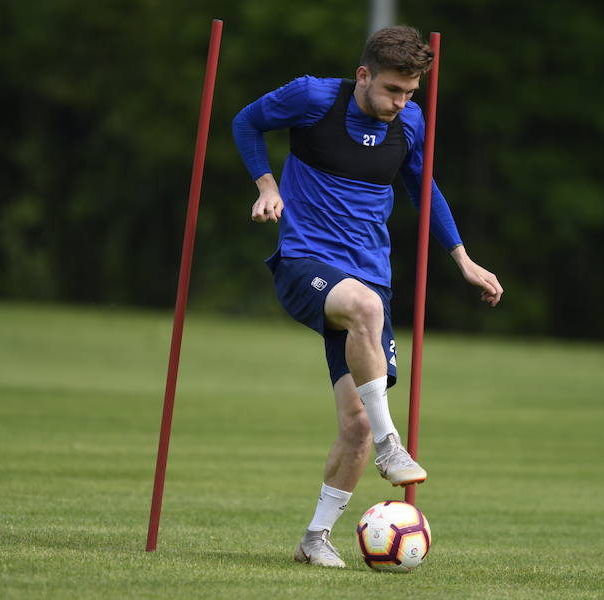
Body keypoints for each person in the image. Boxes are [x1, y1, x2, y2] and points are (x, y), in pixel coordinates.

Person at [232, 25, 503, 568]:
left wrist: (463, 259)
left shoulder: (410, 124)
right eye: (391, 91)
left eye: (410, 93)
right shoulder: (313, 97)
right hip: (303, 262)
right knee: (367, 309)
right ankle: (391, 445)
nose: (400, 103)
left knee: (354, 423)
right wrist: (267, 184)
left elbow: (424, 190)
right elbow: (247, 121)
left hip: (368, 276)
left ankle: (315, 538)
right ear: (363, 75)